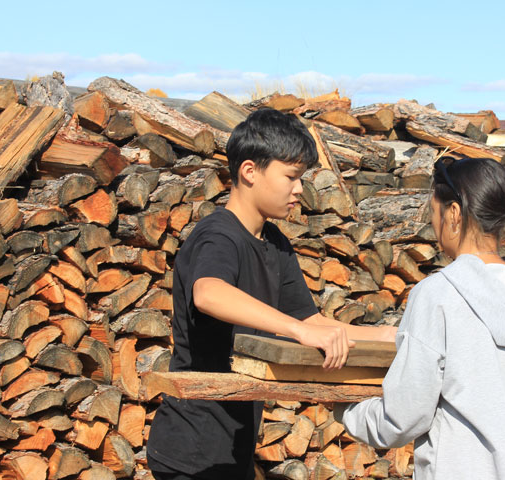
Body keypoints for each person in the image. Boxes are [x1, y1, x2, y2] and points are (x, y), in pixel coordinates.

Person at [147, 108, 397, 480]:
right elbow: (209, 293)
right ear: (249, 171)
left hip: (234, 446)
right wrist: (297, 332)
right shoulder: (218, 235)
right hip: (191, 449)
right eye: (291, 176)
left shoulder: (275, 243)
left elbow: (311, 321)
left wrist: (386, 336)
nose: (299, 189)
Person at [335, 157, 505, 479]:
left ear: (453, 214)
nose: (434, 224)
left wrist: (347, 411)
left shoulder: (436, 296)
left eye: (433, 213)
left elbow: (404, 415)